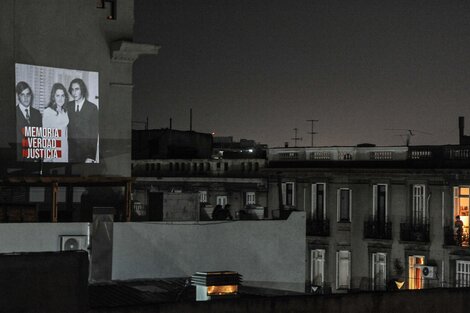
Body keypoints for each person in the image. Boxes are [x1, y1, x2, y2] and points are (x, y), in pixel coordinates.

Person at [66, 78, 99, 163]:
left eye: (77, 89)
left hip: (86, 155)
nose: (74, 93)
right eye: (72, 90)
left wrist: (91, 156)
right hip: (69, 154)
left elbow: (93, 135)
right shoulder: (68, 106)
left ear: (82, 90)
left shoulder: (92, 108)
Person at [42, 83, 69, 162]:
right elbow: (46, 136)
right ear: (53, 97)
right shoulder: (48, 112)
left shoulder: (65, 111)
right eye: (57, 96)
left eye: (62, 95)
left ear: (65, 97)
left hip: (64, 148)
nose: (60, 98)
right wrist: (48, 157)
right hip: (54, 151)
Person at [16, 81, 42, 160]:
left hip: (36, 160)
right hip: (20, 161)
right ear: (18, 96)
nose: (26, 98)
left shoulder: (37, 113)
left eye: (28, 94)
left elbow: (40, 138)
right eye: (22, 95)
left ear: (31, 96)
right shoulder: (13, 113)